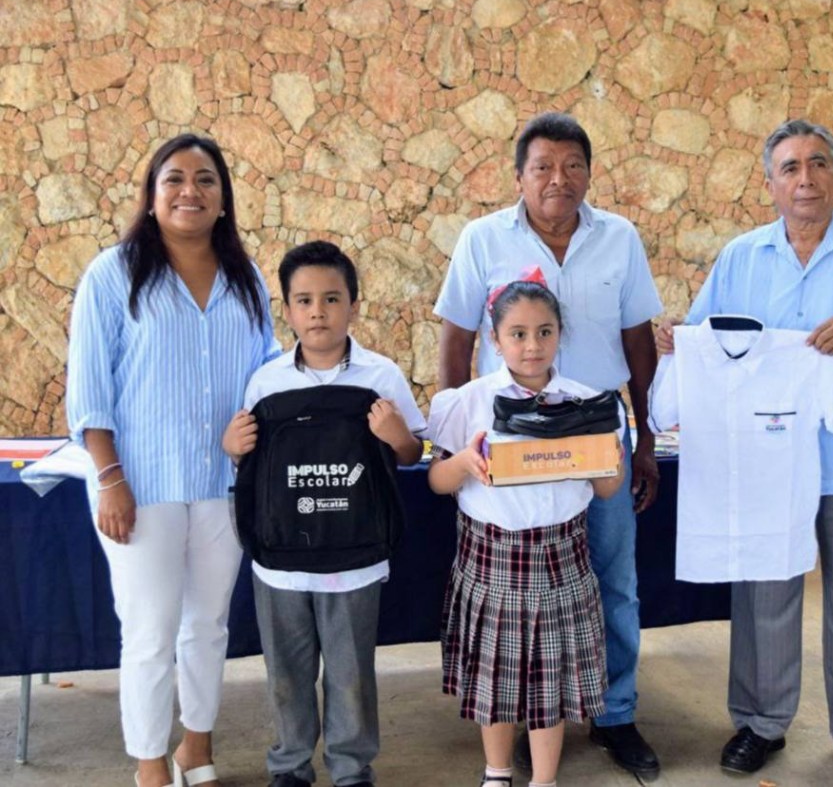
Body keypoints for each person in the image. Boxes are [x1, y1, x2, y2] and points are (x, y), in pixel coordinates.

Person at [657, 119, 833, 784]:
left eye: (818, 164)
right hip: (765, 463)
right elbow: (702, 337)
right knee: (763, 597)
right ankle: (761, 722)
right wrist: (679, 343)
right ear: (770, 183)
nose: (805, 179)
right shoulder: (741, 258)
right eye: (790, 167)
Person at [433, 112, 662, 778]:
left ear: (589, 173)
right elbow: (456, 338)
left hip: (595, 434)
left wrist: (644, 437)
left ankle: (615, 713)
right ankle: (512, 721)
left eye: (573, 166)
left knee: (611, 580)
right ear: (519, 177)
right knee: (515, 596)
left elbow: (638, 341)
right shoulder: (482, 239)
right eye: (543, 167)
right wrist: (455, 435)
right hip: (509, 439)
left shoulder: (620, 239)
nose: (558, 179)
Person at [66, 134, 280, 787]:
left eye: (206, 179)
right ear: (152, 196)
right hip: (142, 484)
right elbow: (89, 390)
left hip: (224, 483)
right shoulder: (112, 274)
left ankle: (196, 747)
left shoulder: (246, 279)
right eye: (175, 179)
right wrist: (110, 478)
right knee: (150, 631)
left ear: (224, 198)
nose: (191, 190)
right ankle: (150, 764)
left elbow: (265, 372)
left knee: (207, 625)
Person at [222, 241, 425, 787]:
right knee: (286, 674)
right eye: (305, 300)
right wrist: (232, 447)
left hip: (356, 561)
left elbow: (412, 453)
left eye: (332, 299)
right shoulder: (266, 381)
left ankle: (351, 770)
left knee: (351, 674)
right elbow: (252, 467)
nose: (318, 312)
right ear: (287, 311)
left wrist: (397, 435)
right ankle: (289, 766)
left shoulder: (382, 376)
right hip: (281, 563)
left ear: (354, 305)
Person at [428, 280, 626, 787]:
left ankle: (544, 780)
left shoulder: (588, 403)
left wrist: (606, 457)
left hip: (562, 559)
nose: (532, 345)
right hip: (491, 560)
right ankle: (496, 773)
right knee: (494, 680)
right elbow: (437, 480)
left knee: (548, 686)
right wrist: (466, 464)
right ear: (495, 339)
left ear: (560, 334)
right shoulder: (468, 402)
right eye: (517, 333)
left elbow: (607, 488)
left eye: (544, 332)